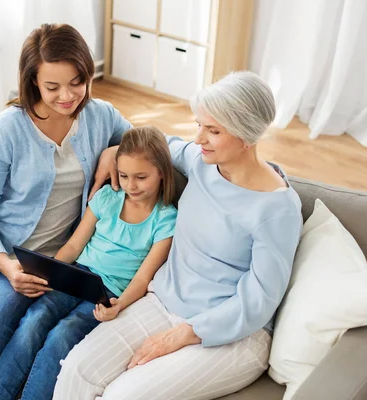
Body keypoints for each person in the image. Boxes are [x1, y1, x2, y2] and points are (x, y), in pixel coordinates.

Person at [53, 71, 304, 400]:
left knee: (122, 396)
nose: (199, 138)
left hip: (232, 335)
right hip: (164, 302)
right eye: (199, 124)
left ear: (247, 135)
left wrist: (187, 333)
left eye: (213, 130)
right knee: (77, 370)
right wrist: (114, 150)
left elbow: (258, 302)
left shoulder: (277, 209)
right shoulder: (202, 163)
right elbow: (151, 145)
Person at [0, 23, 132, 400]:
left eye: (77, 81)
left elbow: (149, 143)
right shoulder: (7, 129)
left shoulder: (101, 116)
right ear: (32, 82)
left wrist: (118, 148)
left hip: (40, 258)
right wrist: (6, 264)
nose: (67, 96)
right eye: (52, 87)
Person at [0, 126, 178, 400]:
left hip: (108, 295)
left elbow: (143, 279)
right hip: (76, 276)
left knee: (62, 335)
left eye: (141, 177)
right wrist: (50, 271)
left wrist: (119, 306)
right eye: (123, 175)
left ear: (162, 172)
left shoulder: (166, 220)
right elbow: (75, 245)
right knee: (33, 321)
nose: (131, 185)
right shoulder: (108, 197)